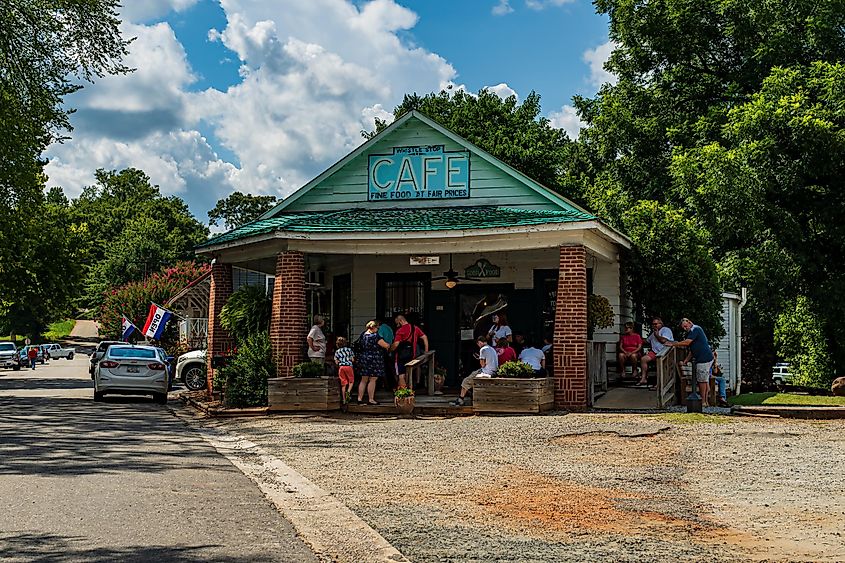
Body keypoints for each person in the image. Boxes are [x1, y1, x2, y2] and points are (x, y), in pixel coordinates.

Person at [667, 318, 714, 407]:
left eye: (685, 326)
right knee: (704, 380)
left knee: (702, 381)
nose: (685, 328)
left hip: (704, 359)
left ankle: (703, 402)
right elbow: (692, 350)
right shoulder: (692, 332)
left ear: (689, 322)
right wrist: (686, 361)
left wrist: (673, 344)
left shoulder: (695, 329)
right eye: (683, 328)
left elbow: (687, 343)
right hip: (704, 358)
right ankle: (705, 401)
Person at [451, 335, 498, 406]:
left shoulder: (483, 349)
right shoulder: (492, 349)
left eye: (478, 344)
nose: (478, 346)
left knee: (465, 381)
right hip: (493, 371)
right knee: (473, 374)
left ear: (480, 342)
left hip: (485, 371)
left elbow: (482, 364)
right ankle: (470, 396)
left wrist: (480, 359)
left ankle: (460, 400)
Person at [390, 314, 429, 388]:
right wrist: (426, 351)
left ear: (401, 321)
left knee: (401, 375)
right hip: (412, 355)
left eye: (397, 323)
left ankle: (403, 394)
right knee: (409, 375)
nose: (397, 325)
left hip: (400, 356)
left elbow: (396, 344)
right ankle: (410, 392)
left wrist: (390, 349)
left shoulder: (400, 330)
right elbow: (424, 337)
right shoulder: (415, 328)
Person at [357, 321, 390, 405]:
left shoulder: (363, 335)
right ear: (374, 327)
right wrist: (388, 345)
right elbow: (385, 345)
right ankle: (371, 399)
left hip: (364, 358)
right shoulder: (375, 336)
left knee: (363, 379)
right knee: (373, 379)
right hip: (374, 359)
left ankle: (359, 398)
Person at [640, 317, 674, 385]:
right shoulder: (654, 333)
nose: (654, 325)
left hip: (665, 353)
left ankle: (659, 383)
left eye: (656, 324)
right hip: (655, 352)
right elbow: (646, 341)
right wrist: (637, 339)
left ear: (661, 324)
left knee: (660, 362)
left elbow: (663, 341)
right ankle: (643, 379)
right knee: (643, 359)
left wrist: (657, 335)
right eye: (653, 324)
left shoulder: (665, 330)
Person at [333, 337, 355, 404]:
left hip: (341, 367)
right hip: (348, 366)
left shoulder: (337, 352)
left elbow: (336, 362)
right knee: (351, 381)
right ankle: (348, 392)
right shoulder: (349, 350)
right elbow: (353, 359)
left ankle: (344, 399)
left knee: (343, 384)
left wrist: (340, 361)